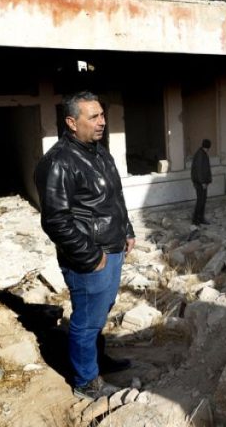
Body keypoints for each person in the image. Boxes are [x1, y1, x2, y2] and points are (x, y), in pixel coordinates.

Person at [34, 91, 136, 399]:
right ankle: (86, 380)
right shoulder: (58, 162)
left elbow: (114, 197)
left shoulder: (100, 152)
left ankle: (97, 362)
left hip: (113, 248)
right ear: (71, 122)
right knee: (87, 320)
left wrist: (127, 230)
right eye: (93, 117)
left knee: (100, 313)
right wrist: (90, 256)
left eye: (102, 115)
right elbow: (56, 220)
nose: (102, 122)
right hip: (90, 257)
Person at [191, 139, 212, 225]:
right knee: (200, 201)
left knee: (203, 201)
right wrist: (202, 182)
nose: (208, 150)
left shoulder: (202, 153)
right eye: (208, 148)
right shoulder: (200, 154)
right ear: (207, 147)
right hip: (200, 183)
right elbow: (199, 170)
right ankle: (195, 220)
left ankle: (201, 218)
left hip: (202, 182)